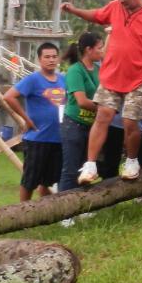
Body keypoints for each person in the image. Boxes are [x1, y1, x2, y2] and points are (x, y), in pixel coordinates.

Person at [62, 0, 142, 184]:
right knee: (103, 115)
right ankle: (90, 165)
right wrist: (74, 10)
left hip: (140, 78)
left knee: (131, 121)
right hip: (112, 75)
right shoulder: (115, 7)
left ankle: (131, 161)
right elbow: (96, 15)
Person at [3, 42, 66, 201]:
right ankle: (22, 212)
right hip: (38, 138)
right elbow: (9, 96)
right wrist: (26, 119)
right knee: (30, 180)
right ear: (39, 59)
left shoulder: (64, 79)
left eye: (54, 56)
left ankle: (43, 212)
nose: (51, 60)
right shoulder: (33, 79)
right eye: (47, 57)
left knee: (49, 180)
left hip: (59, 138)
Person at [58, 32, 104, 192]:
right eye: (99, 48)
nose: (102, 51)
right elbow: (82, 101)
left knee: (87, 169)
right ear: (88, 49)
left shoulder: (99, 69)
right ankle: (65, 211)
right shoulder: (75, 71)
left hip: (92, 127)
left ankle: (82, 208)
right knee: (70, 170)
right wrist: (106, 109)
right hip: (74, 125)